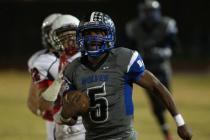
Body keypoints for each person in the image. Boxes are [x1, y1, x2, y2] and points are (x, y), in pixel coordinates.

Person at [45, 11, 192, 140]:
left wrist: (180, 123)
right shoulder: (73, 69)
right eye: (87, 33)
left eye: (98, 32)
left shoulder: (123, 59)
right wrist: (65, 114)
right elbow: (72, 118)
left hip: (123, 137)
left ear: (110, 34)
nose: (92, 38)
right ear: (80, 37)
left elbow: (156, 86)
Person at [125, 1, 180, 139]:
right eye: (146, 11)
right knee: (156, 103)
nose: (148, 15)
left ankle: (167, 120)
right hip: (145, 68)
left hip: (162, 66)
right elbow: (131, 48)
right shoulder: (134, 27)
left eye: (151, 11)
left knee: (165, 97)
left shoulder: (166, 24)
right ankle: (166, 131)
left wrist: (163, 52)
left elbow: (175, 46)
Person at [27, 13, 85, 140]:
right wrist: (59, 79)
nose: (69, 41)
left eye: (72, 35)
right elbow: (36, 102)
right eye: (63, 36)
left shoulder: (91, 56)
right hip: (62, 122)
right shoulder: (42, 61)